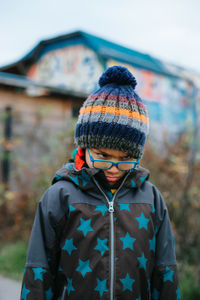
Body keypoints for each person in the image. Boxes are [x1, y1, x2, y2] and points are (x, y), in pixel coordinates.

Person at [20, 66, 180, 300]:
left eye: (126, 159)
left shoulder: (151, 199)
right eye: (103, 155)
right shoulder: (60, 196)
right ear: (84, 147)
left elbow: (165, 271)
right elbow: (39, 270)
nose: (114, 168)